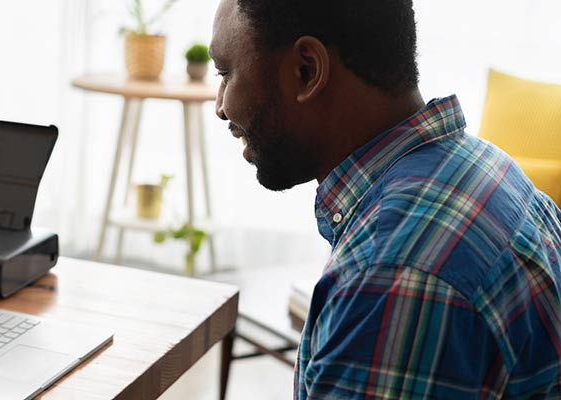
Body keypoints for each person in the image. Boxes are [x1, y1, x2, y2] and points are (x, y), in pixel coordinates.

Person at [209, 0, 561, 398]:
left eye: (226, 73)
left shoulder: (391, 278)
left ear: (306, 71)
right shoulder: (486, 167)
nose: (221, 106)